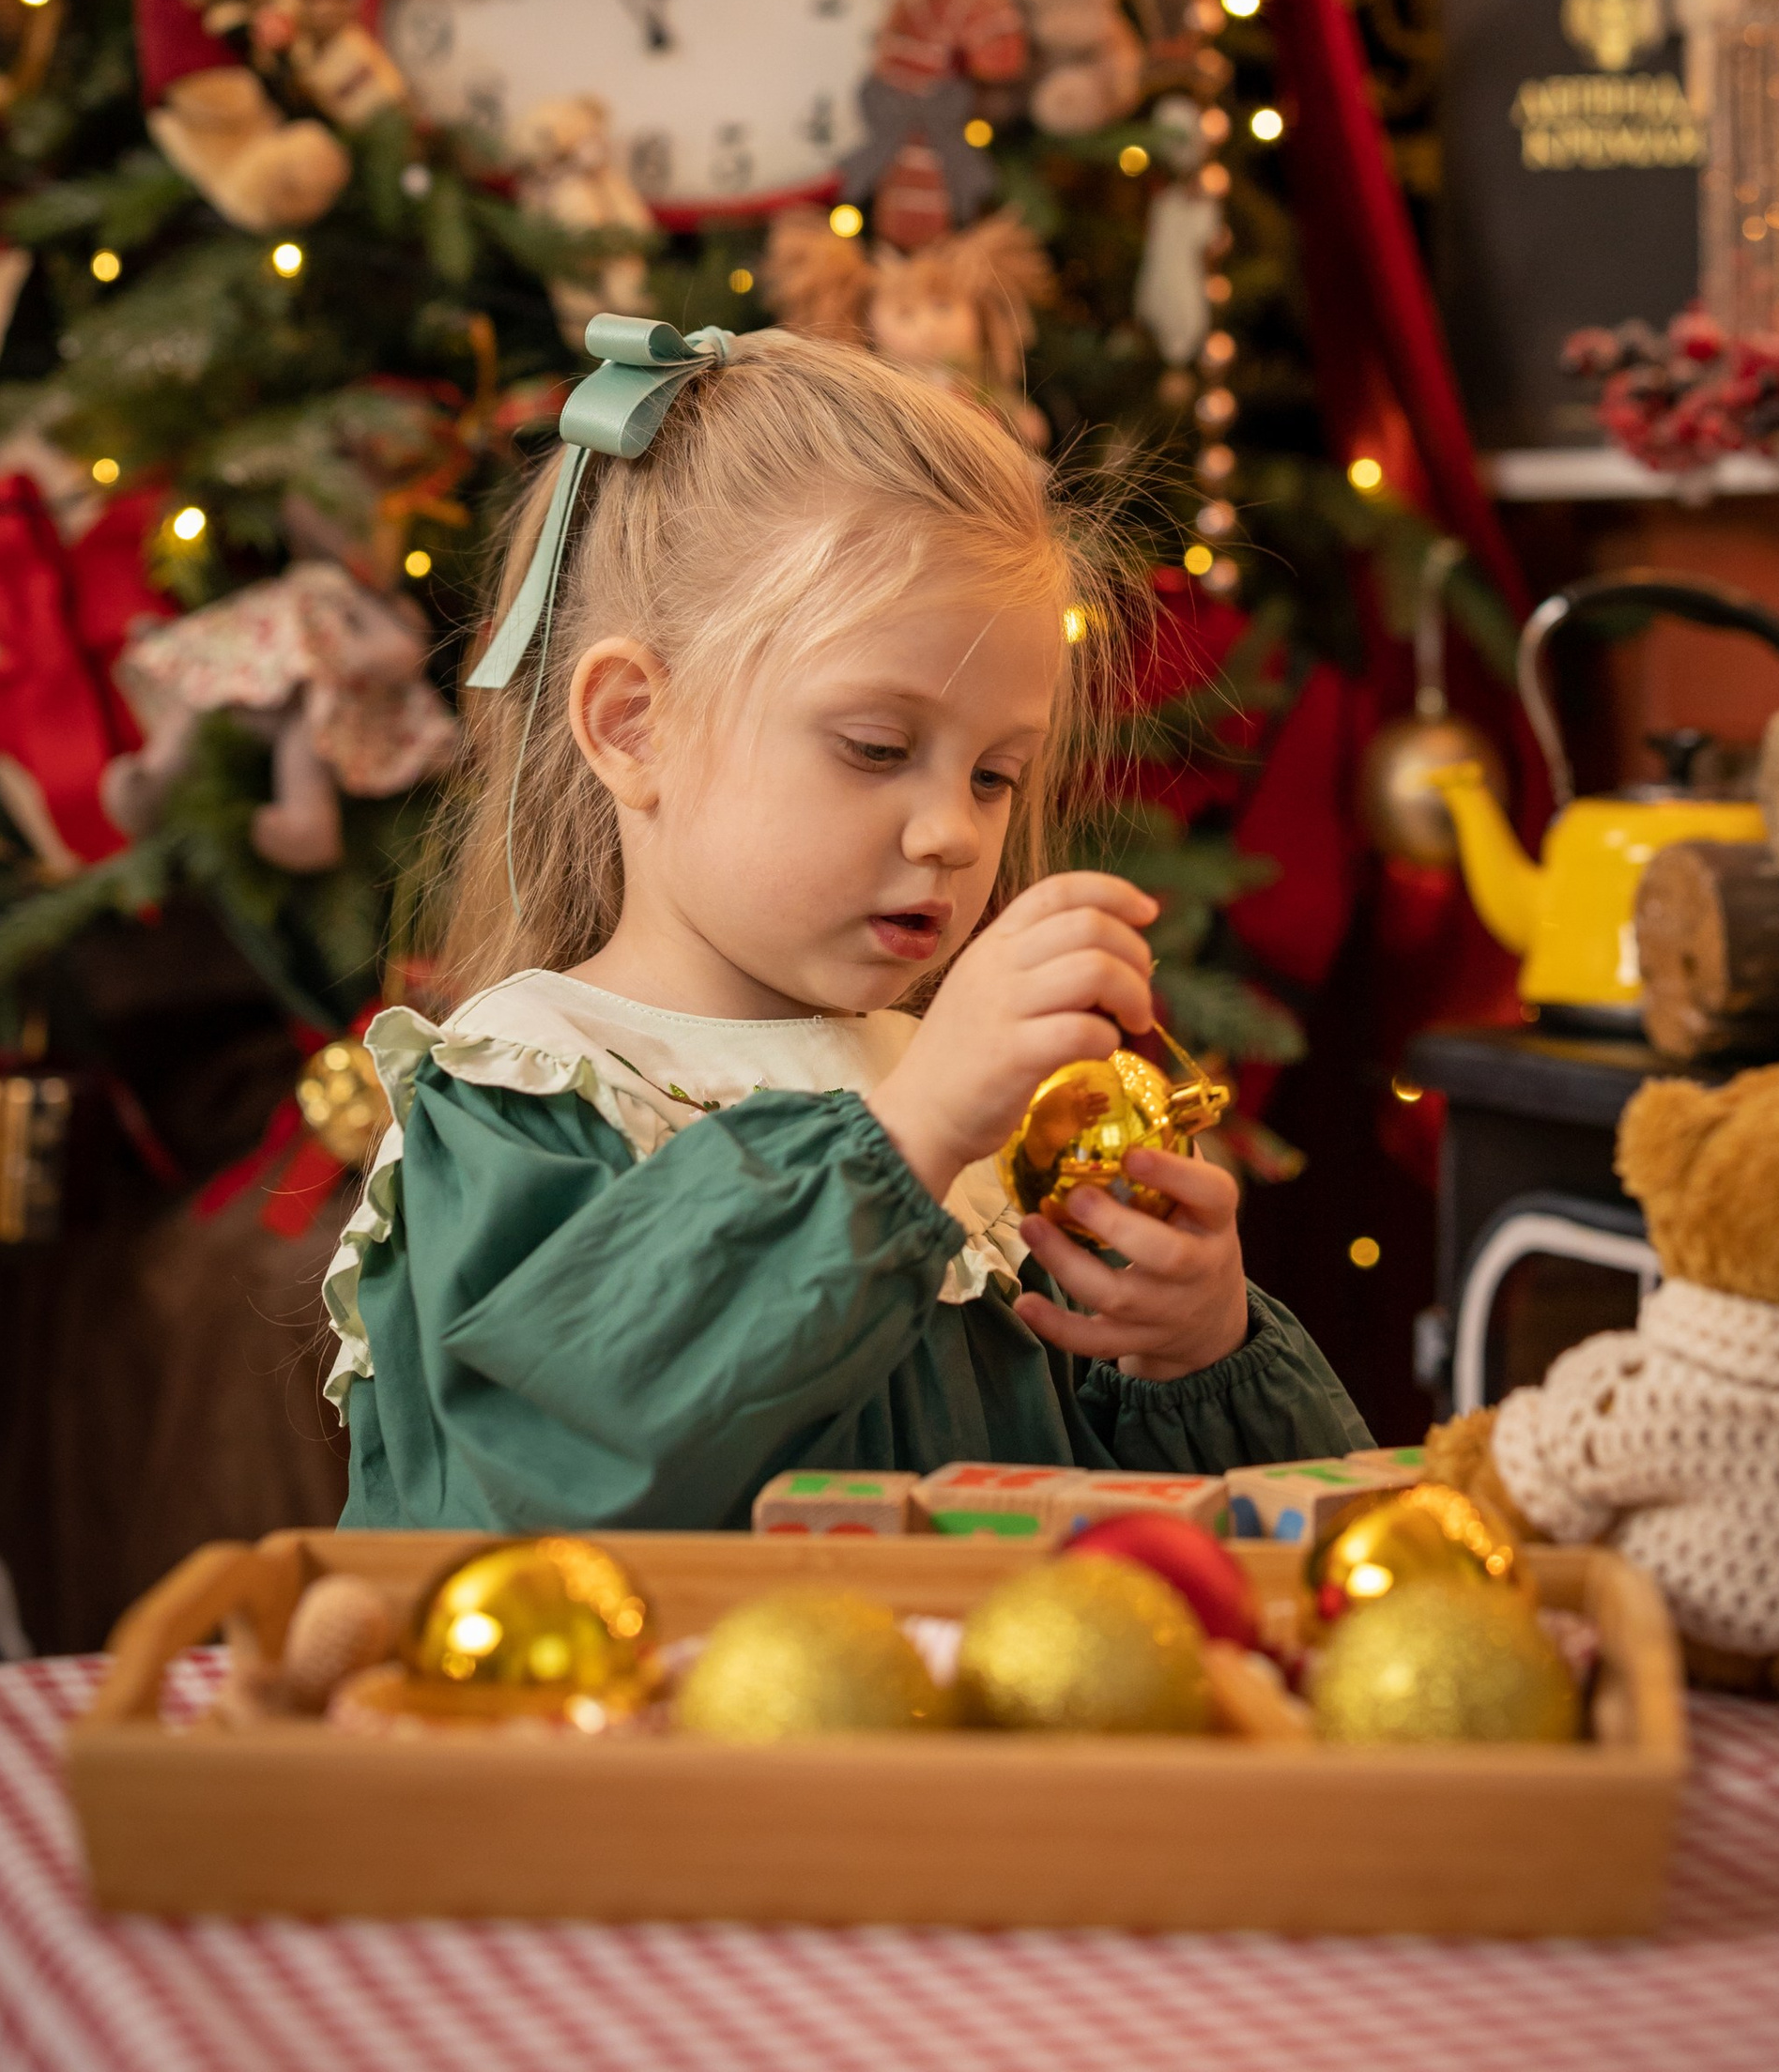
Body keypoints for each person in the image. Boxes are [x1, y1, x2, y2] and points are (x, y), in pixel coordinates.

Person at [326, 322, 1368, 1526]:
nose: (953, 833)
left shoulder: (967, 1116)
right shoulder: (529, 1094)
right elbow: (541, 1477)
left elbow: (1150, 1550)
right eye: (876, 749)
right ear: (632, 727)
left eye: (995, 775)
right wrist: (904, 1141)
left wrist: (1190, 1352)